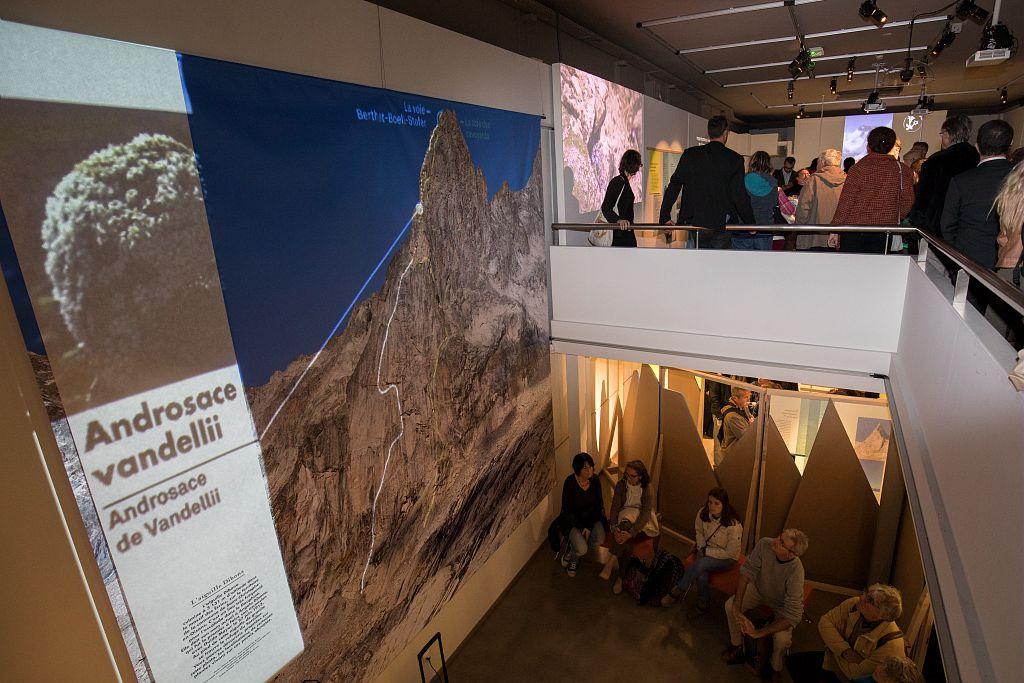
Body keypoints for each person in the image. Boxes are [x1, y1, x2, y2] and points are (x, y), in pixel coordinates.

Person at [941, 120, 1015, 315]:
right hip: (1010, 268)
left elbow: (947, 226)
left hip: (967, 262)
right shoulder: (1017, 181)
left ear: (977, 146)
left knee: (965, 319)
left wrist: (956, 260)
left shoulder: (962, 180)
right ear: (1009, 146)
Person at [721, 530, 809, 676]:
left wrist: (758, 633)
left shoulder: (796, 571)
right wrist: (737, 607)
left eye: (781, 543)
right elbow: (747, 571)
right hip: (758, 589)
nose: (774, 540)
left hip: (781, 604)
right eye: (779, 537)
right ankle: (737, 647)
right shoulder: (765, 543)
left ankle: (775, 667)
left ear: (792, 554)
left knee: (781, 640)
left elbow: (793, 616)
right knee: (730, 606)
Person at [659, 115, 754, 249]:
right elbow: (739, 195)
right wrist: (750, 222)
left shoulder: (690, 154)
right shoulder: (734, 159)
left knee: (695, 265)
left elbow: (674, 185)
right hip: (721, 222)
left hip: (695, 221)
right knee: (717, 266)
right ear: (725, 133)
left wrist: (664, 216)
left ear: (709, 132)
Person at [787, 584, 906, 682]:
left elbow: (854, 674)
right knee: (793, 662)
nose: (861, 597)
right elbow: (824, 622)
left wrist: (834, 646)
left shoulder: (890, 645)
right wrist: (845, 651)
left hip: (849, 679)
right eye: (866, 592)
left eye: (870, 600)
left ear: (881, 615)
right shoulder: (855, 605)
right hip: (836, 660)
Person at [660, 487, 742, 617]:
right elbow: (699, 531)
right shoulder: (703, 513)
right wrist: (701, 547)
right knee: (702, 573)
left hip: (726, 557)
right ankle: (703, 603)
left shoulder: (733, 525)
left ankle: (677, 590)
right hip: (706, 549)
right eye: (710, 502)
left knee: (702, 564)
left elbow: (731, 553)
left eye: (716, 503)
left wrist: (706, 552)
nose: (712, 506)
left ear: (724, 505)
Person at [830, 127, 914, 254]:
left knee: (850, 269)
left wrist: (835, 229)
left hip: (854, 229)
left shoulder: (858, 169)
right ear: (892, 145)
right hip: (884, 230)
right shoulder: (902, 170)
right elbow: (908, 200)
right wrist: (893, 215)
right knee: (877, 269)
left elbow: (846, 202)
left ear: (868, 145)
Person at [908, 114, 979, 237]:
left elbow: (923, 198)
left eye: (942, 134)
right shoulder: (977, 158)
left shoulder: (936, 161)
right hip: (970, 227)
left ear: (947, 134)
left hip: (938, 229)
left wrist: (916, 226)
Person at [605, 459, 656, 594]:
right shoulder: (621, 485)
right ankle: (620, 577)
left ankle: (613, 563)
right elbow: (615, 506)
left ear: (640, 476)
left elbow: (645, 513)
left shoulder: (647, 488)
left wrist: (632, 532)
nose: (628, 477)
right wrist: (614, 526)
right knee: (624, 533)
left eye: (632, 476)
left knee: (626, 530)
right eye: (626, 474)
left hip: (642, 520)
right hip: (625, 514)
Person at [558, 452, 605, 577]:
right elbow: (566, 510)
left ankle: (573, 549)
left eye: (591, 466)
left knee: (599, 539)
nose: (590, 470)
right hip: (573, 522)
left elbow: (599, 505)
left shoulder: (595, 480)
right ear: (577, 469)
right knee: (582, 549)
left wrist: (589, 526)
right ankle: (575, 558)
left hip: (590, 519)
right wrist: (580, 527)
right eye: (585, 468)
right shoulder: (570, 482)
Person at [795, 149, 845, 250]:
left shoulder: (813, 180)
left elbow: (803, 207)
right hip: (838, 236)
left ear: (822, 162)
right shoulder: (847, 180)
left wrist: (799, 226)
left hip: (813, 236)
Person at [601, 149, 642, 248]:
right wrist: (618, 220)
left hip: (624, 232)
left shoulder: (624, 181)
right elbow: (606, 207)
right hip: (619, 235)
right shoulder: (618, 181)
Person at [737, 151, 778, 250]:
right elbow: (774, 203)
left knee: (740, 263)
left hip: (744, 227)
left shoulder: (742, 179)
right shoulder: (773, 181)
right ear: (768, 164)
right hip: (765, 228)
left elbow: (738, 202)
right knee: (763, 263)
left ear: (752, 162)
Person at [715, 386, 753, 467]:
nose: (748, 400)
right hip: (733, 455)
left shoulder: (742, 407)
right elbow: (745, 437)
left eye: (749, 397)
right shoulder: (733, 416)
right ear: (735, 398)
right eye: (746, 397)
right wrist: (752, 424)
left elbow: (750, 418)